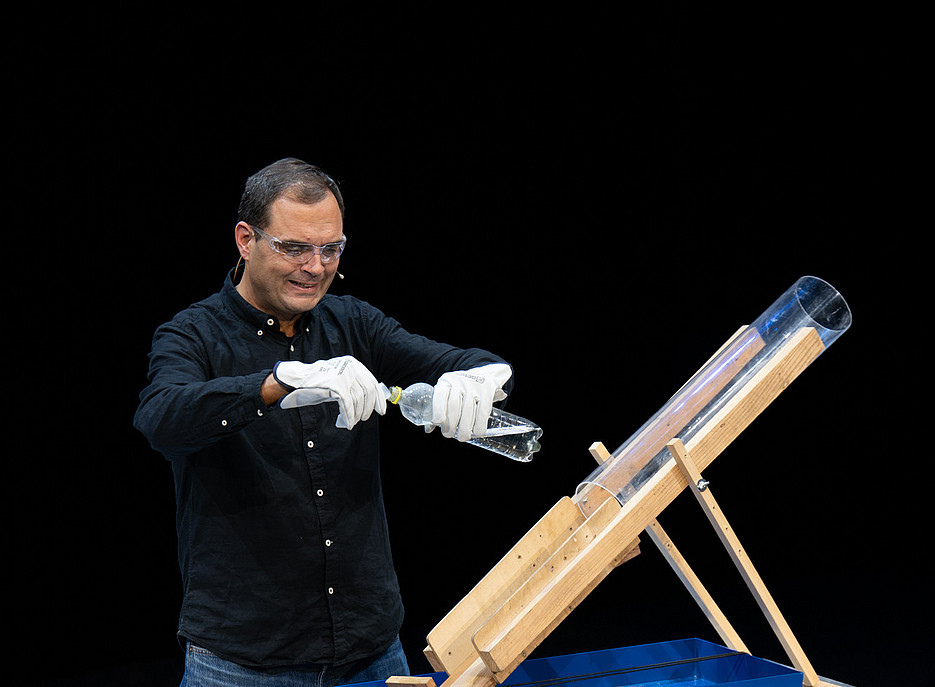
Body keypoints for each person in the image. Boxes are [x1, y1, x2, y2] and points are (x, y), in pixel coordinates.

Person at [133, 158, 514, 687]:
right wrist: (275, 383)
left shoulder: (354, 321)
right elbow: (161, 418)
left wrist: (482, 379)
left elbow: (472, 362)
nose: (315, 266)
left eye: (330, 248)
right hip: (242, 661)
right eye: (293, 247)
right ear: (246, 240)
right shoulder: (192, 334)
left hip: (371, 651)